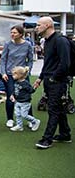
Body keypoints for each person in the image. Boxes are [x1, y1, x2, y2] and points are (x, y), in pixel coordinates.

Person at [33, 16, 71, 149]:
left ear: (48, 25)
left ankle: (46, 139)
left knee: (53, 109)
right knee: (58, 107)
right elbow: (48, 63)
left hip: (57, 81)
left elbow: (65, 63)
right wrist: (40, 78)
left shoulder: (60, 41)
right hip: (50, 80)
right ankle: (65, 134)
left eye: (39, 25)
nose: (36, 27)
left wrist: (54, 78)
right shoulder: (47, 41)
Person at [0, 25, 34, 128]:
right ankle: (10, 119)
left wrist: (28, 69)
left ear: (20, 34)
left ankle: (29, 118)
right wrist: (3, 73)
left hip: (23, 74)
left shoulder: (27, 45)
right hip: (10, 75)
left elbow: (30, 60)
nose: (12, 34)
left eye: (14, 33)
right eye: (11, 32)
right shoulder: (8, 44)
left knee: (26, 96)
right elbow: (3, 60)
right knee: (11, 96)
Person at [9, 66, 40, 132]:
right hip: (18, 101)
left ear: (20, 75)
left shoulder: (25, 83)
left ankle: (35, 121)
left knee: (24, 115)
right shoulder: (16, 82)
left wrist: (35, 87)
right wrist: (12, 95)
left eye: (14, 74)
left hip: (25, 102)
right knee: (17, 114)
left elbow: (31, 90)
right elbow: (15, 90)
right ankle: (19, 126)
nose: (12, 76)